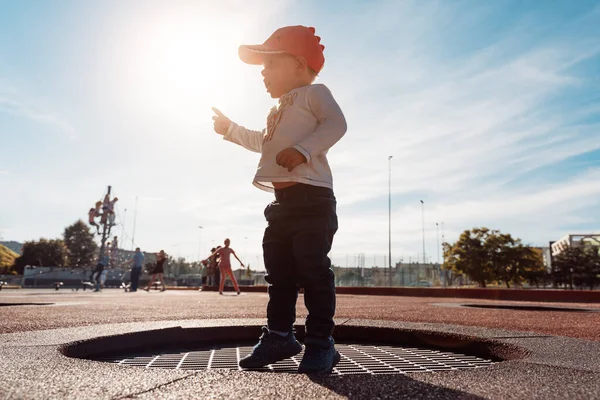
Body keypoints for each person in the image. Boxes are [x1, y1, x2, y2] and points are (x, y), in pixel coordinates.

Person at [211, 26, 346, 374]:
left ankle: (320, 343)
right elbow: (263, 142)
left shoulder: (315, 93)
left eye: (270, 64)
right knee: (280, 275)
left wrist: (302, 150)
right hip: (281, 207)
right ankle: (280, 336)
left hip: (313, 200)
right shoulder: (278, 111)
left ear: (299, 64)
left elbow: (337, 124)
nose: (263, 72)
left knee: (314, 271)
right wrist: (231, 130)